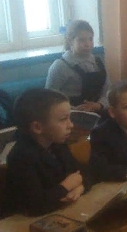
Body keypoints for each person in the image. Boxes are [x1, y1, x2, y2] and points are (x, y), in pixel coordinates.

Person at [5, 88, 92, 216]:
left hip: (63, 211)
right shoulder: (21, 157)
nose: (71, 125)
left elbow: (85, 174)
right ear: (37, 127)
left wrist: (80, 187)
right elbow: (35, 206)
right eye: (63, 119)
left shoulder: (58, 145)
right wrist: (66, 186)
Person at [45, 20, 110, 114]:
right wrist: (72, 109)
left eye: (90, 39)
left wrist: (99, 105)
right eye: (81, 40)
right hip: (70, 113)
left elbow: (107, 90)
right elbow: (50, 97)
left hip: (98, 110)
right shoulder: (60, 66)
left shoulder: (98, 62)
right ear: (70, 41)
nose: (88, 44)